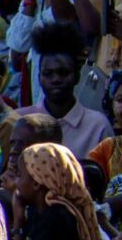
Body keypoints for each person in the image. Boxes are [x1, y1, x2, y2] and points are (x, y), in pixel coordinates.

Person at [18, 21, 112, 156]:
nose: (55, 80)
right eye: (48, 74)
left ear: (77, 76)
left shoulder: (98, 125)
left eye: (63, 73)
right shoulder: (21, 119)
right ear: (39, 78)